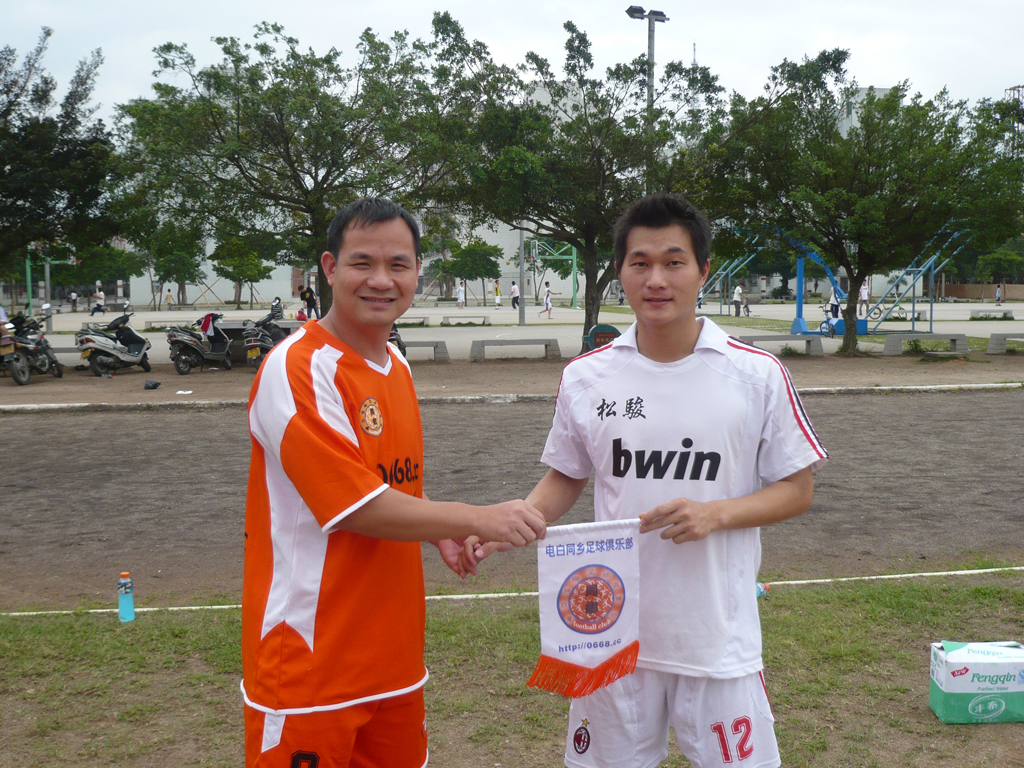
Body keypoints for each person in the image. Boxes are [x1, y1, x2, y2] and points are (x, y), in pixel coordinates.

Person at [469, 193, 827, 768]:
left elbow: (796, 489)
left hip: (715, 636)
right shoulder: (587, 377)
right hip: (610, 631)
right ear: (620, 271)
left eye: (673, 262)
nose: (656, 279)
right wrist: (509, 524)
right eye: (640, 263)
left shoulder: (755, 375)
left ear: (703, 270)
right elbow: (566, 475)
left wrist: (715, 513)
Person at [241, 197, 546, 768]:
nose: (381, 280)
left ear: (417, 272)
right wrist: (477, 517)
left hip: (394, 659)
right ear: (330, 268)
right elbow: (356, 505)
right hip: (311, 663)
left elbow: (387, 482)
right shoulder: (296, 368)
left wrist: (435, 529)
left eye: (398, 265)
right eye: (363, 262)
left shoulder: (395, 366)